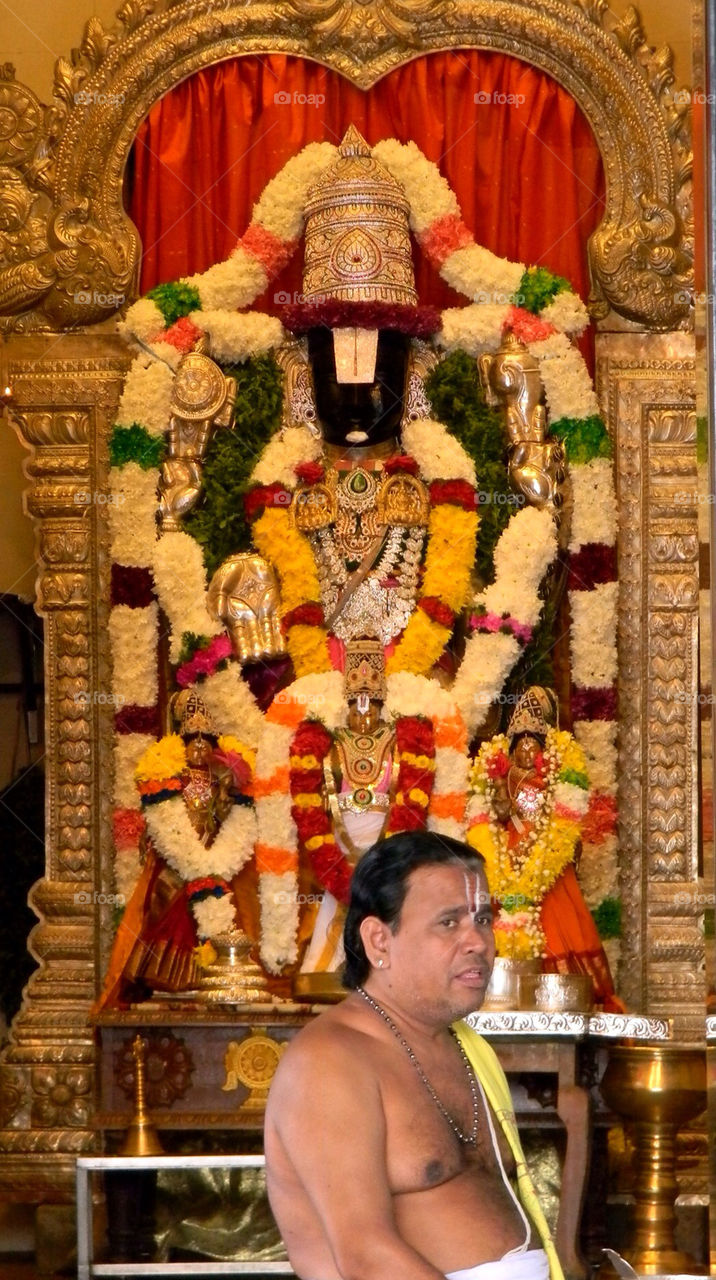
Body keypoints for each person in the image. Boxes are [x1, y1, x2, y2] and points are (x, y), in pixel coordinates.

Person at [264, 831, 563, 1280]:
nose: (478, 942)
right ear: (379, 941)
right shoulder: (330, 1060)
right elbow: (365, 1257)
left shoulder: (463, 1045)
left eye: (482, 920)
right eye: (449, 922)